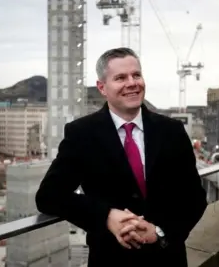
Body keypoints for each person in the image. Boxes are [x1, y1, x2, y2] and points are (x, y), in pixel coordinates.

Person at [35, 47, 207, 267]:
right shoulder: (82, 134)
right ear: (102, 88)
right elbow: (49, 196)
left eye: (136, 75)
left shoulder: (172, 131)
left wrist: (160, 232)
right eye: (120, 78)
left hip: (167, 260)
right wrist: (106, 216)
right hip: (110, 261)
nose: (132, 83)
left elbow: (194, 198)